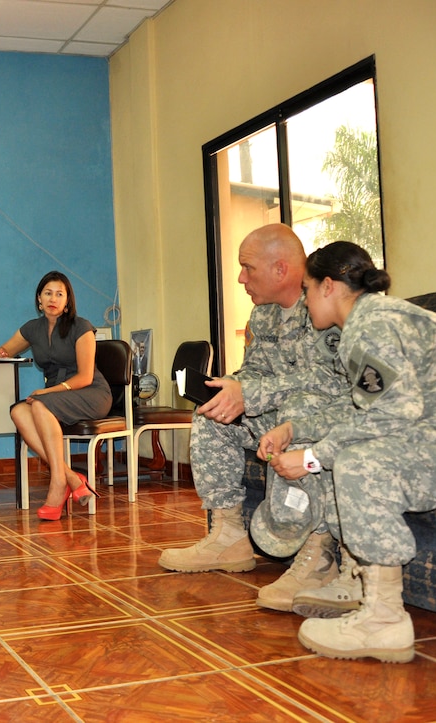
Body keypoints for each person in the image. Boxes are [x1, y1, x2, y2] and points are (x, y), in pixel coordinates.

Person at [264, 241, 436, 662]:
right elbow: (364, 406)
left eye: (308, 290)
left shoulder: (369, 326)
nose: (304, 302)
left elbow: (392, 412)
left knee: (359, 464)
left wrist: (313, 457)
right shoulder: (374, 318)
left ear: (329, 286)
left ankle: (384, 620)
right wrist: (295, 429)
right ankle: (363, 587)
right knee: (353, 450)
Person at [157, 223, 351, 614]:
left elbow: (329, 381)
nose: (241, 278)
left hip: (322, 421)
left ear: (281, 270)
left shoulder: (327, 304)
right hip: (275, 417)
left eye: (248, 268)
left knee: (301, 412)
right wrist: (230, 386)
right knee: (213, 413)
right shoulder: (263, 315)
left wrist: (252, 393)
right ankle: (228, 535)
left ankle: (321, 555)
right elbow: (257, 371)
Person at [0, 270, 112, 520]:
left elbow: (85, 377)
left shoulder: (82, 327)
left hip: (90, 393)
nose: (53, 299)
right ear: (39, 299)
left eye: (59, 294)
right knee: (18, 410)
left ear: (68, 301)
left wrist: (47, 392)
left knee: (40, 405)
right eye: (48, 293)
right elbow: (4, 351)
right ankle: (70, 477)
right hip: (55, 397)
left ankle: (58, 484)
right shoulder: (33, 328)